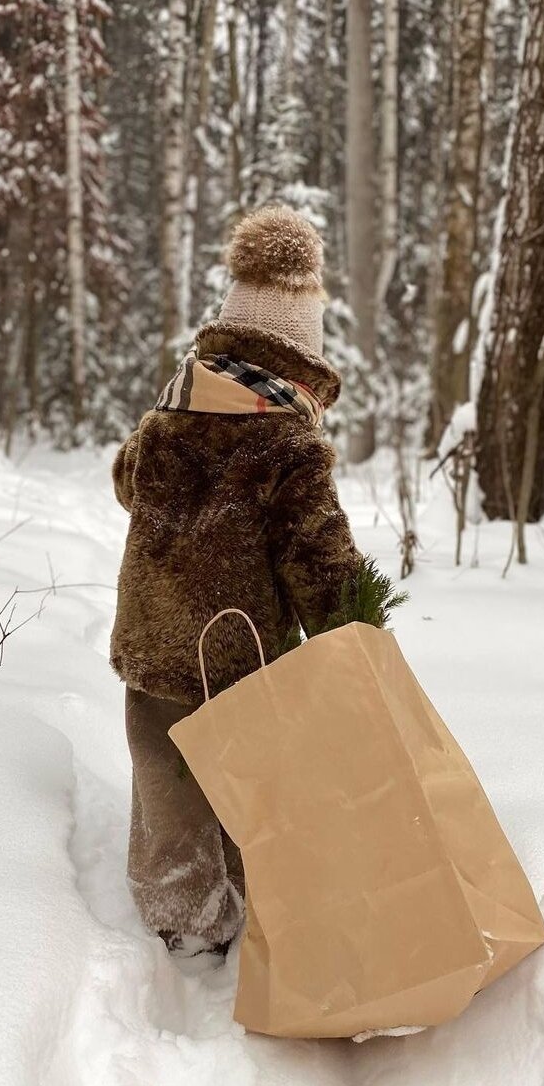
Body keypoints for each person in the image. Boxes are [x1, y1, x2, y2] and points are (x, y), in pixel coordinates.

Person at [109, 206, 361, 957]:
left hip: (154, 641)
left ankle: (179, 914)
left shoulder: (171, 412)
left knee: (166, 779)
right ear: (300, 353)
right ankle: (256, 904)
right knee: (248, 783)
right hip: (242, 651)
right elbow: (318, 556)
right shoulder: (287, 441)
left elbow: (127, 482)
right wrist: (356, 626)